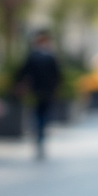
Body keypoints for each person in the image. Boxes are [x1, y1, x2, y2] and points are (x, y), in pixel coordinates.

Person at [13, 29, 62, 159]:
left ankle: (38, 135)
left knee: (36, 114)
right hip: (47, 91)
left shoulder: (32, 56)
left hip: (35, 91)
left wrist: (18, 85)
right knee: (44, 115)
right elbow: (58, 76)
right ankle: (40, 136)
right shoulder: (50, 57)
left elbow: (22, 72)